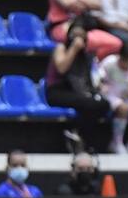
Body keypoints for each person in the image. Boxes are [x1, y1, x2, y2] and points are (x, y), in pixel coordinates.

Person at [45, 17, 111, 152]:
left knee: (103, 104)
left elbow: (88, 79)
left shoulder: (87, 55)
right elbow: (62, 68)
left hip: (78, 92)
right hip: (58, 91)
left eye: (81, 36)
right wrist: (73, 49)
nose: (78, 39)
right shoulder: (61, 48)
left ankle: (77, 133)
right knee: (89, 104)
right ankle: (79, 136)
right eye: (75, 35)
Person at [46, 0, 121, 59]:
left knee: (115, 43)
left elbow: (98, 4)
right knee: (78, 40)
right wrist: (86, 3)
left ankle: (95, 64)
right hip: (62, 26)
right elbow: (67, 3)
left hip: (84, 26)